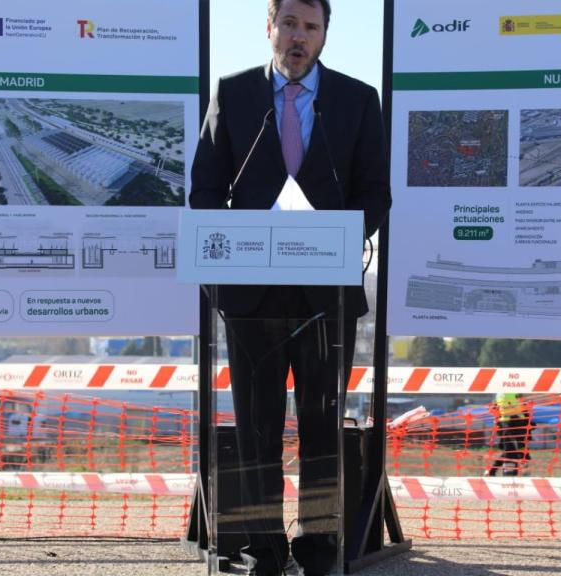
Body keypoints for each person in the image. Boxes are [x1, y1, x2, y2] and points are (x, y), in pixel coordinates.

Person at [190, 1, 390, 574]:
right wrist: (234, 241)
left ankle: (318, 545)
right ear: (269, 27)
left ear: (325, 35)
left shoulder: (356, 99)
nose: (298, 38)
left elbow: (376, 191)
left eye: (311, 27)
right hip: (251, 297)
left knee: (322, 426)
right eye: (290, 24)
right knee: (257, 429)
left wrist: (342, 232)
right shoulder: (234, 95)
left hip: (325, 296)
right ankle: (264, 549)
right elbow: (205, 191)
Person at [486, 393, 533, 477]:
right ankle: (520, 467)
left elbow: (495, 408)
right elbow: (521, 402)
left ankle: (492, 471)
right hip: (513, 421)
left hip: (505, 422)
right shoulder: (514, 392)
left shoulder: (499, 394)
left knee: (511, 448)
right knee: (513, 448)